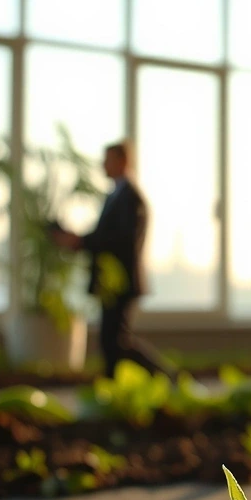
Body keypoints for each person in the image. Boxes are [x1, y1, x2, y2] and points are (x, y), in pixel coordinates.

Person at [53, 142, 171, 379]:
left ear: (123, 161)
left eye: (108, 160)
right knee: (111, 342)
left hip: (120, 281)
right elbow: (107, 237)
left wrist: (81, 242)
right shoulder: (116, 196)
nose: (103, 165)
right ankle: (117, 388)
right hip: (110, 282)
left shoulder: (130, 198)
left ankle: (165, 376)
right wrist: (80, 242)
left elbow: (120, 241)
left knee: (117, 341)